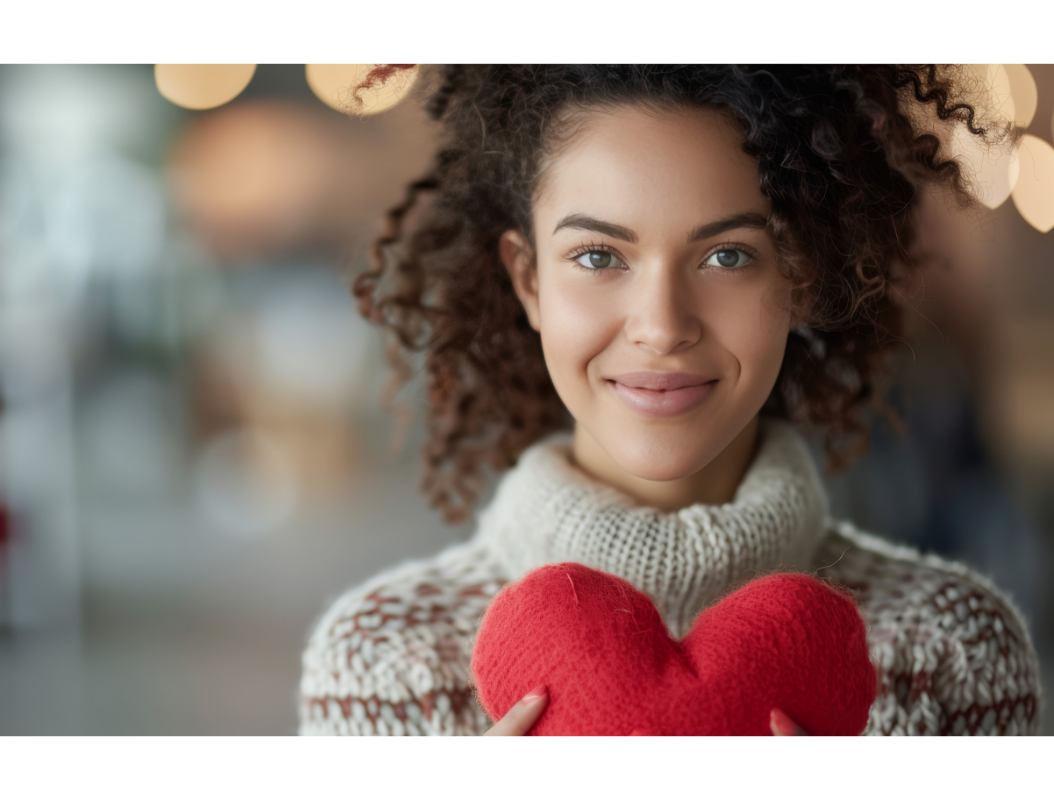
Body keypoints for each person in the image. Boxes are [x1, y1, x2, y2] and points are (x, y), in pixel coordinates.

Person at [298, 64, 1041, 737]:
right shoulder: (382, 665)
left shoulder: (954, 648)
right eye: (598, 257)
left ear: (802, 277)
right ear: (529, 281)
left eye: (728, 256)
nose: (661, 327)